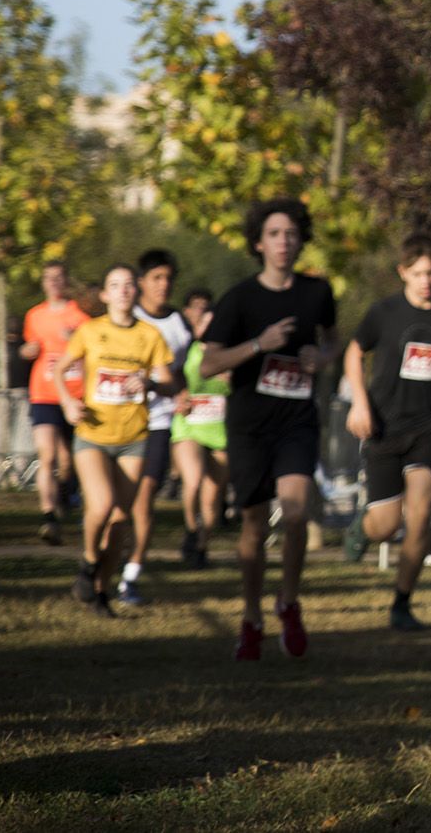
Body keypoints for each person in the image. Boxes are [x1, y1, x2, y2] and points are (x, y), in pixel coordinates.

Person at [200, 198, 338, 661]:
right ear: (259, 243)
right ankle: (251, 616)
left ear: (301, 242)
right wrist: (260, 344)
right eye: (275, 234)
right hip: (250, 426)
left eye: (292, 234)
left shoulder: (318, 293)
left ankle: (289, 602)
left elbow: (332, 342)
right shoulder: (239, 299)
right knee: (254, 525)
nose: (284, 242)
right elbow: (209, 362)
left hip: (296, 421)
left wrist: (321, 359)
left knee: (296, 512)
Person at [341, 236, 431, 629]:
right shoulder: (383, 312)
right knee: (387, 525)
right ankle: (363, 527)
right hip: (385, 425)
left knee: (420, 511)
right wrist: (359, 402)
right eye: (418, 273)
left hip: (430, 426)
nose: (426, 281)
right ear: (403, 272)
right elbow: (354, 351)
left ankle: (401, 603)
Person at [54, 264, 174, 618]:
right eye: (114, 285)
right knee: (102, 505)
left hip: (133, 438)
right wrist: (67, 403)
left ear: (136, 292)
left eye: (127, 285)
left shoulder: (150, 336)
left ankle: (102, 593)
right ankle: (89, 563)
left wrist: (150, 384)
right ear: (104, 295)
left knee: (121, 520)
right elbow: (61, 370)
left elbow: (169, 383)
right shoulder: (91, 331)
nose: (122, 290)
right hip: (92, 434)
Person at [120, 249, 192, 605]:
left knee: (144, 499)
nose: (164, 286)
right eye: (156, 278)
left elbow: (182, 370)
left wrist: (183, 393)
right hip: (117, 422)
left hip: (158, 421)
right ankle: (104, 563)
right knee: (118, 502)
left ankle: (131, 573)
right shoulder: (126, 317)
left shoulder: (179, 324)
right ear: (142, 282)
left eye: (168, 279)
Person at [18, 260, 88, 545]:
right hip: (44, 393)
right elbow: (28, 347)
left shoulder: (81, 316)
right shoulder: (34, 315)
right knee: (46, 456)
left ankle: (66, 495)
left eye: (59, 278)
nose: (54, 283)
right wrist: (27, 350)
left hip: (74, 394)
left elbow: (93, 350)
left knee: (68, 461)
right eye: (49, 278)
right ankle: (48, 517)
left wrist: (77, 341)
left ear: (66, 281)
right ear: (43, 283)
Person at [171, 287, 229, 568]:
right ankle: (191, 531)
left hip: (219, 431)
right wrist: (178, 395)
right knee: (192, 480)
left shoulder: (229, 355)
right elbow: (169, 378)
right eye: (203, 319)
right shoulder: (187, 351)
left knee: (213, 498)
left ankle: (201, 546)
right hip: (189, 427)